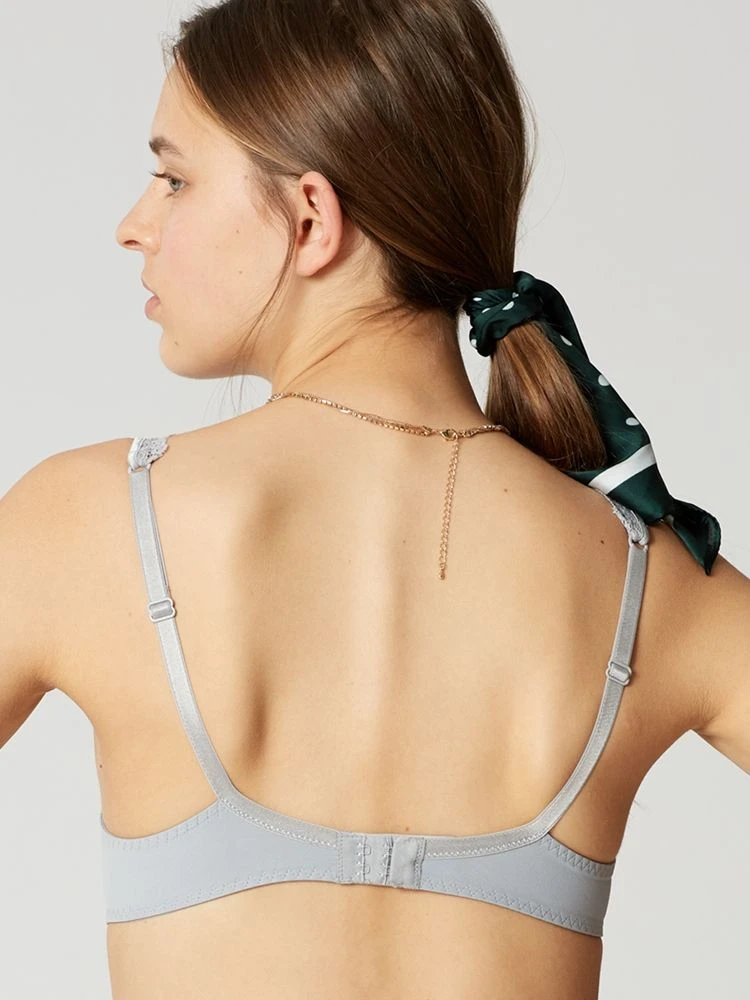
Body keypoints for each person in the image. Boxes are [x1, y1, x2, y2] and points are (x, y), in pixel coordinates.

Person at [0, 1, 747, 998]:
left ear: (311, 220)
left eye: (174, 178)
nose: (134, 225)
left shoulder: (86, 525)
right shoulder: (653, 581)